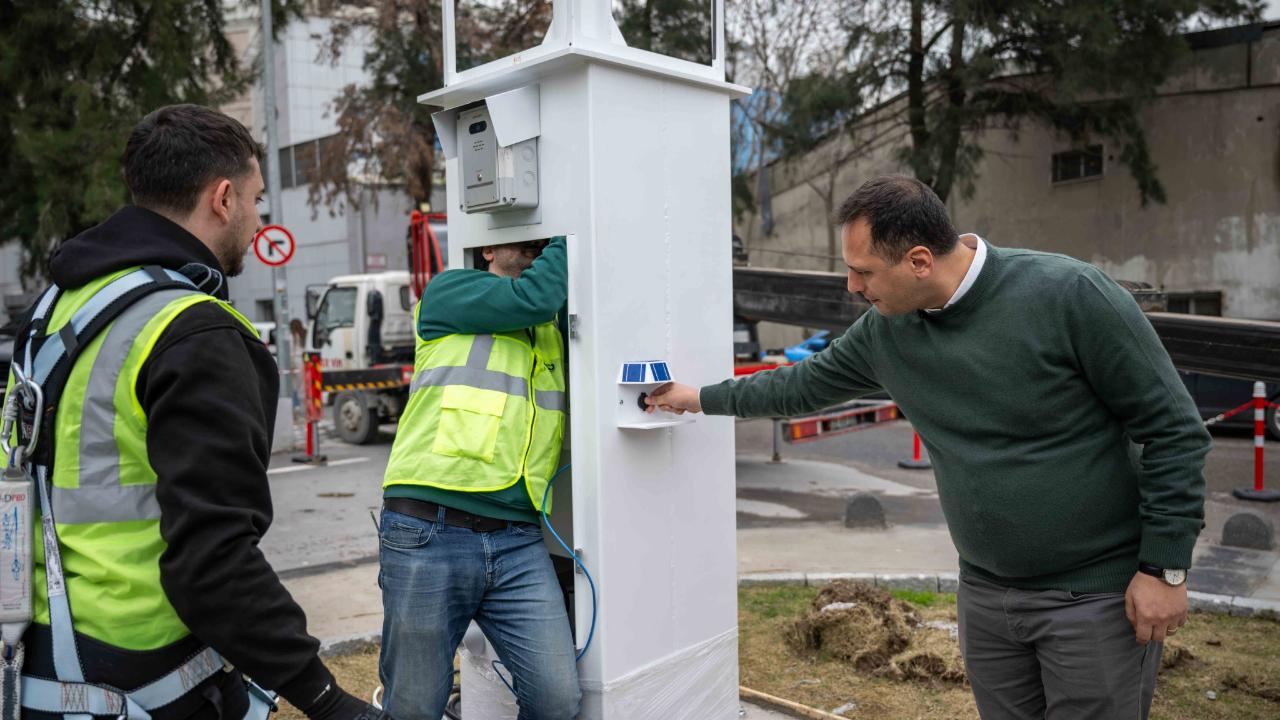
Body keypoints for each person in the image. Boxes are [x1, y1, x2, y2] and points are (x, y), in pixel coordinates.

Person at [648, 176, 1209, 719]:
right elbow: (799, 385)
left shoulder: (1069, 294)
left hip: (1093, 600)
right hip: (987, 596)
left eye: (862, 271)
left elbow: (1174, 429)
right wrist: (697, 397)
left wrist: (1165, 569)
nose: (852, 287)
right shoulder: (887, 329)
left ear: (919, 261)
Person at [1, 105, 384, 720]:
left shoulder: (58, 307)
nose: (260, 221)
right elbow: (213, 560)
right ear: (224, 198)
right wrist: (326, 697)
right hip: (140, 677)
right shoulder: (191, 330)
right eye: (259, 200)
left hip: (39, 663)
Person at [380, 237, 579, 720]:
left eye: (543, 242)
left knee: (558, 701)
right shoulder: (451, 292)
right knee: (415, 706)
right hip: (430, 528)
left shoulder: (551, 332)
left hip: (517, 539)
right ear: (487, 250)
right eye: (526, 239)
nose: (536, 247)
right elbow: (533, 297)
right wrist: (566, 236)